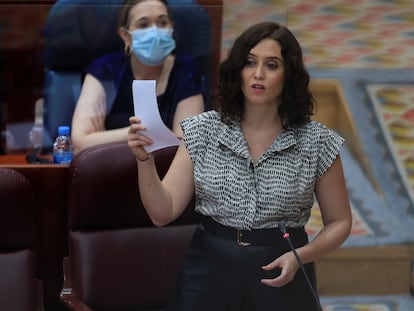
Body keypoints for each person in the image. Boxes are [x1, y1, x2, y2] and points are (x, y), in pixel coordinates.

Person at [128, 21, 352, 310]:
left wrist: (302, 256)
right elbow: (162, 212)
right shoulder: (203, 130)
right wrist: (144, 161)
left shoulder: (317, 141)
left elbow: (340, 221)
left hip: (283, 266)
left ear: (289, 75)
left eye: (271, 65)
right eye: (249, 63)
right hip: (210, 268)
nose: (258, 74)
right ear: (238, 70)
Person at [71, 0, 205, 154]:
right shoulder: (104, 70)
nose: (155, 31)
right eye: (143, 25)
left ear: (171, 28)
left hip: (166, 173)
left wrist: (103, 138)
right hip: (110, 167)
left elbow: (186, 149)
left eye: (162, 22)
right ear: (126, 35)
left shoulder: (185, 70)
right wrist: (133, 133)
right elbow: (80, 142)